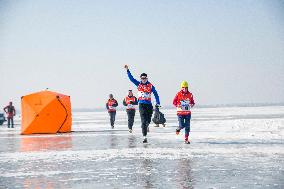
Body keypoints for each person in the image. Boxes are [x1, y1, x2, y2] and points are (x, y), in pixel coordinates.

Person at [124, 65, 160, 143]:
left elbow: (156, 94)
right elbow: (131, 79)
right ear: (141, 79)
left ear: (147, 78)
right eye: (142, 78)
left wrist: (158, 102)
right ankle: (144, 137)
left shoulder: (150, 85)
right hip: (141, 105)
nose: (143, 79)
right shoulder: (138, 84)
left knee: (148, 120)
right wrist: (127, 70)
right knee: (143, 121)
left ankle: (146, 126)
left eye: (145, 78)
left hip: (149, 105)